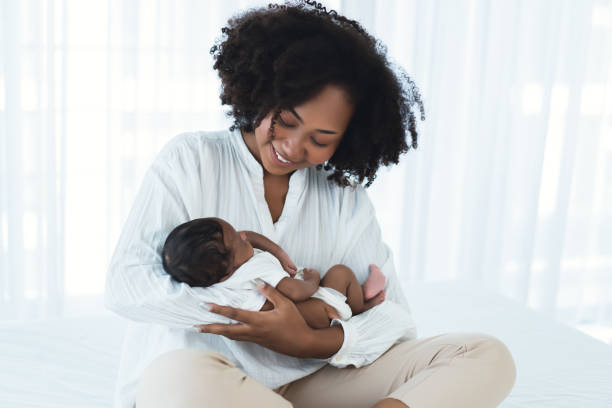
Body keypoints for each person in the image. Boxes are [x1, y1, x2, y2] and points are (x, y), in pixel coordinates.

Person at [104, 1, 517, 407]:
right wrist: (261, 313)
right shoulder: (191, 159)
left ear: (348, 140)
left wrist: (311, 340)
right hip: (216, 382)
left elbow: (396, 321)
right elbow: (128, 286)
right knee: (177, 378)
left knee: (484, 356)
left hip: (315, 380)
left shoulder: (342, 195)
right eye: (285, 121)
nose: (291, 147)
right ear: (262, 94)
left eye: (321, 140)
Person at [161, 216, 388, 329]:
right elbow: (297, 292)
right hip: (318, 308)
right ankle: (361, 305)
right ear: (226, 273)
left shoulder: (223, 273)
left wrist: (278, 251)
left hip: (307, 311)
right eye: (238, 241)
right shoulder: (256, 270)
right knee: (340, 273)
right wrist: (313, 279)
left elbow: (247, 236)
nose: (242, 236)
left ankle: (358, 303)